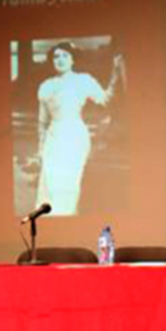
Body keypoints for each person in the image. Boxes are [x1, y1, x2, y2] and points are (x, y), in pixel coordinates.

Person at [36, 42, 124, 215]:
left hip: (75, 138)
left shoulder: (83, 81)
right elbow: (42, 122)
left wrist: (115, 74)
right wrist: (40, 148)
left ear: (73, 59)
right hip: (53, 141)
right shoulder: (46, 86)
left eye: (65, 55)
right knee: (50, 184)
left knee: (69, 185)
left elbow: (105, 99)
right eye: (56, 56)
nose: (60, 60)